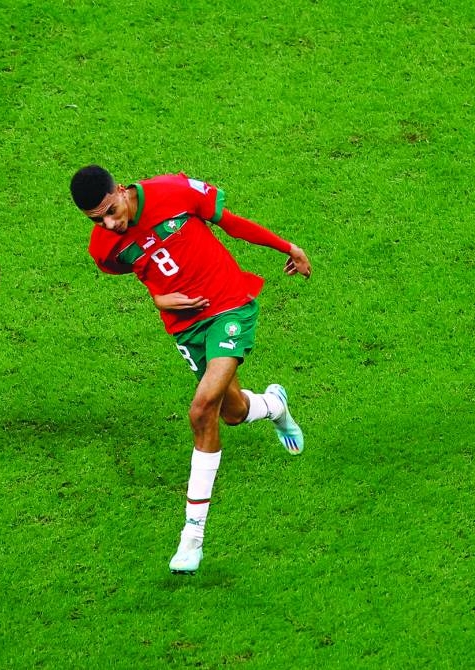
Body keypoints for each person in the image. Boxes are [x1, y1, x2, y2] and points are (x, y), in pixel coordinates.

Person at [69, 165, 312, 574]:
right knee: (232, 412)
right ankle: (275, 406)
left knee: (202, 410)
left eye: (111, 210)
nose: (110, 223)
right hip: (187, 328)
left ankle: (191, 539)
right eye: (98, 219)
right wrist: (160, 301)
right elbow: (146, 268)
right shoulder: (103, 249)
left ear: (121, 190)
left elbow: (231, 224)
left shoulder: (173, 192)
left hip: (230, 305)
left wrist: (288, 247)